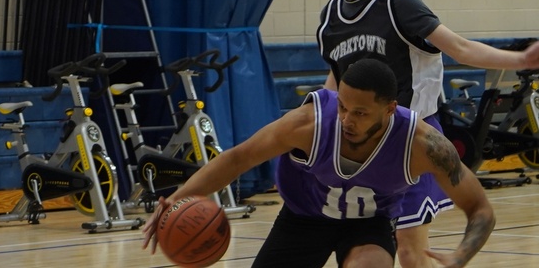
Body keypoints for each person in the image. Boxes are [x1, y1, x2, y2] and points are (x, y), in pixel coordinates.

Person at [316, 0, 539, 268]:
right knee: (363, 251)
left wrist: (521, 61)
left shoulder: (397, 2)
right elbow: (336, 81)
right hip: (359, 143)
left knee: (409, 252)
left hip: (410, 138)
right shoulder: (330, 17)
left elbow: (460, 48)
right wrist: (313, 124)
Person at [143, 58, 495, 268]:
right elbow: (238, 158)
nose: (346, 119)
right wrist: (178, 199)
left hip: (368, 224)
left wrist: (463, 254)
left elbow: (480, 208)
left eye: (360, 112)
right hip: (303, 218)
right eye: (343, 106)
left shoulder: (421, 143)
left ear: (389, 109)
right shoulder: (309, 123)